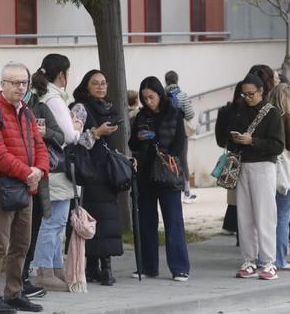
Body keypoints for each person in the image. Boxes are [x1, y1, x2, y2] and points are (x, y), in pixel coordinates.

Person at [0, 62, 51, 314]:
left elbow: (39, 145)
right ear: (3, 85)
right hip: (1, 189)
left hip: (27, 187)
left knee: (22, 244)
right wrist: (27, 172)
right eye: (15, 83)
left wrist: (40, 170)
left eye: (24, 83)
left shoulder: (27, 112)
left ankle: (14, 293)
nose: (21, 87)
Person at [217, 74, 285, 280]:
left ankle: (269, 262)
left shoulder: (272, 113)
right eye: (244, 94)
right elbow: (226, 139)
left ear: (261, 91)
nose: (247, 98)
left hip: (264, 166)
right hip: (243, 165)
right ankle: (249, 260)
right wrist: (236, 140)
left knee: (265, 215)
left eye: (251, 94)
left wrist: (252, 141)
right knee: (244, 216)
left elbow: (278, 145)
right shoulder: (238, 111)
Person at [129, 76, 190, 281]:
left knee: (173, 222)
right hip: (145, 175)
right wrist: (139, 137)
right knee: (146, 222)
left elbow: (179, 144)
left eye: (151, 97)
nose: (148, 101)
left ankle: (180, 267)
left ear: (160, 95)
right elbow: (132, 144)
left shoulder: (174, 114)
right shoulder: (141, 116)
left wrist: (162, 151)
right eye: (144, 98)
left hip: (167, 174)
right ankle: (148, 266)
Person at [29, 53, 81, 294]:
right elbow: (69, 136)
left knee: (55, 219)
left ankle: (55, 266)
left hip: (46, 165)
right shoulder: (54, 99)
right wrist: (78, 128)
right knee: (55, 220)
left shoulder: (38, 95)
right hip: (57, 167)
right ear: (62, 74)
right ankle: (43, 270)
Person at [71, 69, 124, 286]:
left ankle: (106, 266)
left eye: (104, 83)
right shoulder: (80, 108)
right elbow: (73, 141)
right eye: (96, 83)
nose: (101, 87)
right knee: (94, 218)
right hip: (90, 172)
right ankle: (94, 267)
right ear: (87, 86)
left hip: (107, 172)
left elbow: (111, 145)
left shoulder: (109, 108)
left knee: (109, 220)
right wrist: (96, 133)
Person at [268, 83, 290, 272]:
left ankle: (263, 258)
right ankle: (279, 259)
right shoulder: (286, 118)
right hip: (285, 172)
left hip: (266, 171)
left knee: (265, 217)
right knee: (283, 217)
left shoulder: (264, 116)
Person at [165, 70, 198, 203]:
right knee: (183, 160)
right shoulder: (182, 95)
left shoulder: (162, 95)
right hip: (181, 133)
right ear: (177, 80)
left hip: (166, 132)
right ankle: (187, 192)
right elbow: (190, 114)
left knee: (167, 159)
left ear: (166, 81)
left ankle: (170, 188)